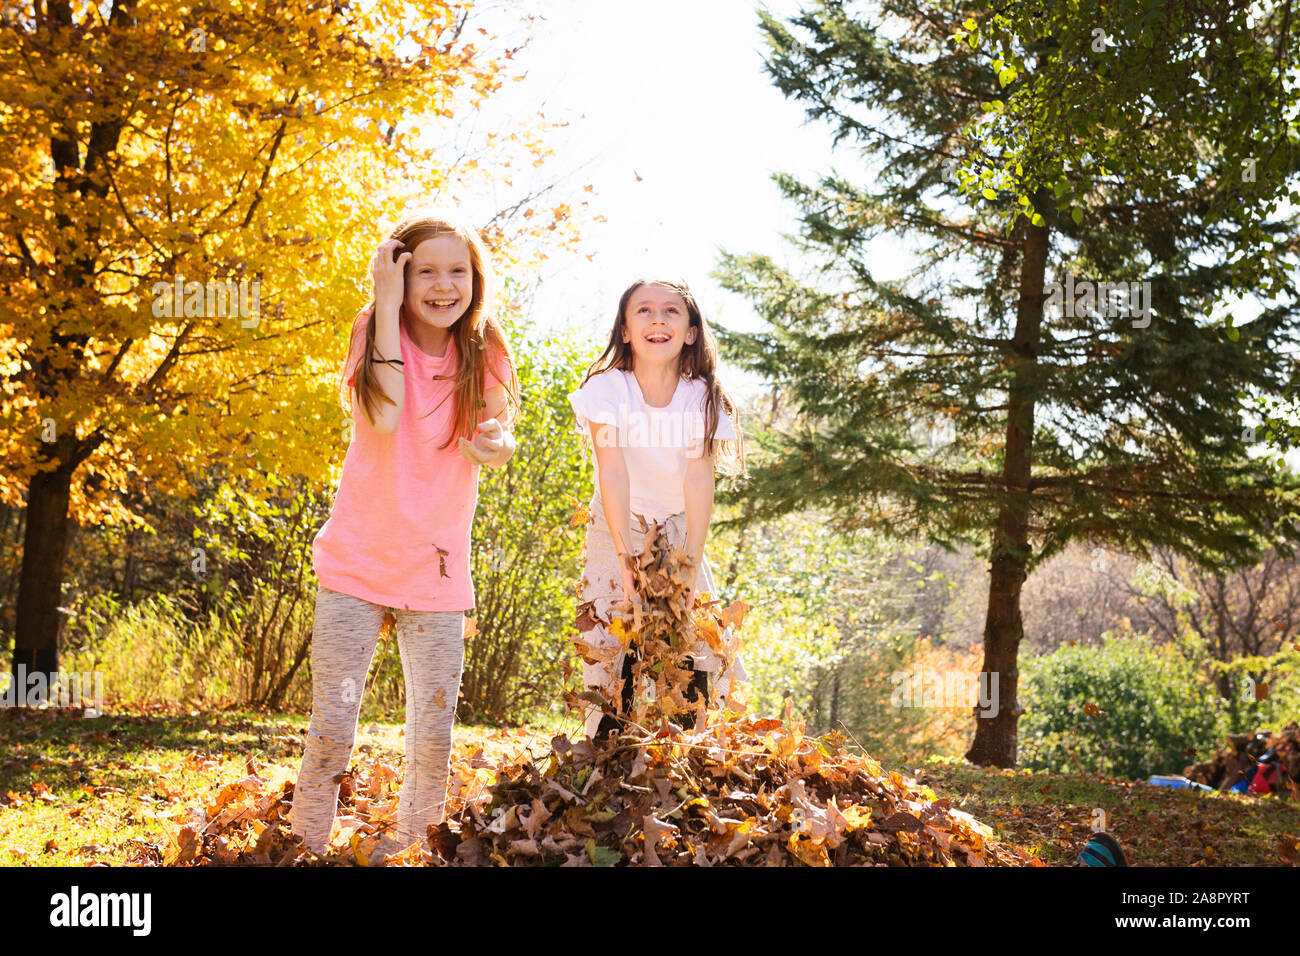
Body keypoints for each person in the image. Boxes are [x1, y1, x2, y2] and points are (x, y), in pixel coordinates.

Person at [289, 207, 520, 859]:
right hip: (357, 564)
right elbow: (385, 415)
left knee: (433, 731)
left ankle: (414, 846)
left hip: (438, 573)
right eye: (425, 272)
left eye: (457, 271)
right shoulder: (374, 325)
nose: (444, 285)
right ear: (398, 274)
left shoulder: (485, 345)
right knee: (333, 722)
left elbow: (496, 431)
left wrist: (496, 444)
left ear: (475, 280)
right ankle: (307, 845)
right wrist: (383, 303)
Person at [567, 276, 746, 740]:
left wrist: (689, 562)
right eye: (644, 310)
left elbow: (698, 478)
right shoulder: (607, 389)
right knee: (609, 637)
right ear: (625, 330)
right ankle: (605, 745)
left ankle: (691, 745)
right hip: (616, 522)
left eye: (671, 311)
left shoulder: (700, 396)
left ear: (690, 332)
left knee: (695, 634)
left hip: (680, 523)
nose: (657, 318)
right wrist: (626, 557)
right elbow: (613, 471)